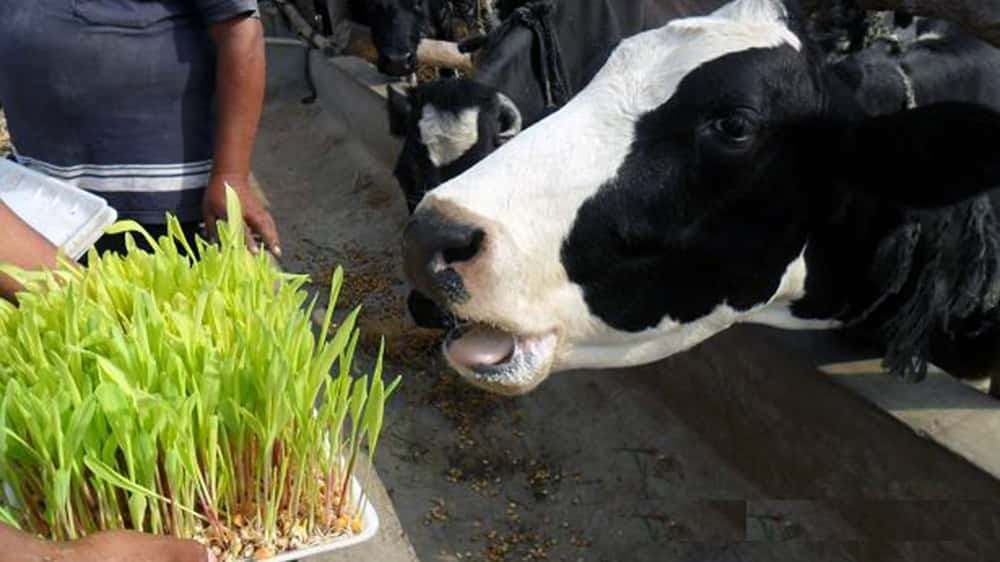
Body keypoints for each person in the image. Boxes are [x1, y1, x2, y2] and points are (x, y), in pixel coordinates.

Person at [0, 0, 279, 257]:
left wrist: (231, 174)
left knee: (154, 302)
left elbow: (241, 33)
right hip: (40, 197)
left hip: (159, 209)